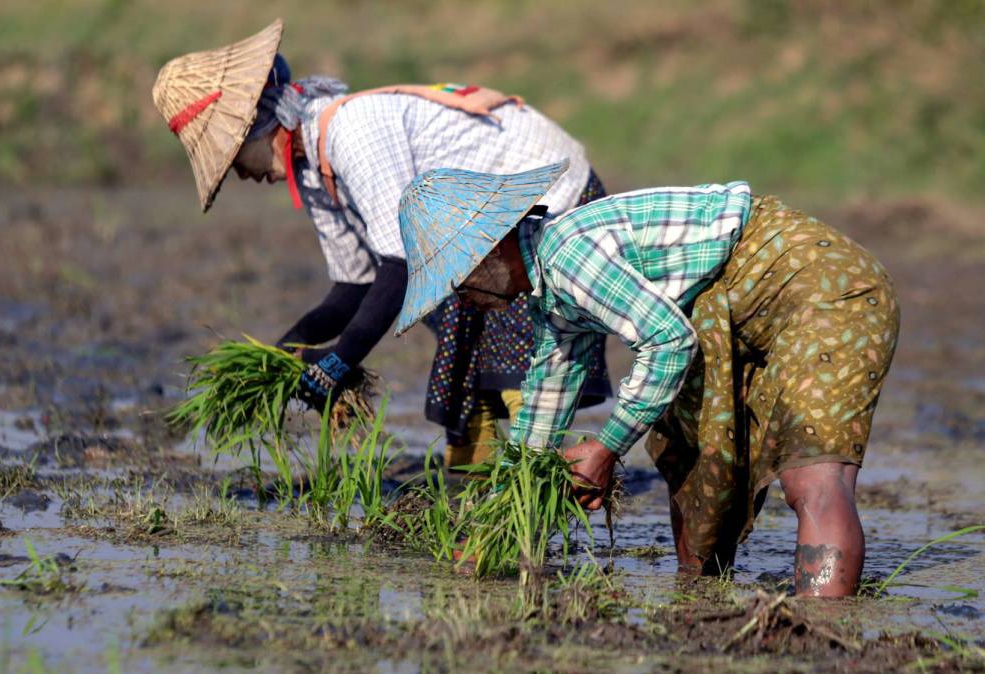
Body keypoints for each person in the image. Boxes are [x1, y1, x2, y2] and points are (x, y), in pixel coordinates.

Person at [394, 161, 899, 597]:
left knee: (811, 475)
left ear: (493, 248)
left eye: (458, 278)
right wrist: (497, 522)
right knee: (688, 461)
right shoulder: (552, 299)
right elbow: (543, 411)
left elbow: (667, 341)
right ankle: (697, 602)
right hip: (726, 312)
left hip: (817, 287)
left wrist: (607, 447)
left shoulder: (569, 254)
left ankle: (824, 633)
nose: (460, 297)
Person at [151, 20, 610, 467]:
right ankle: (476, 472)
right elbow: (355, 284)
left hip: (548, 196)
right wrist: (283, 353)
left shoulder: (353, 130)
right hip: (483, 233)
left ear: (261, 127)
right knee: (457, 326)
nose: (244, 175)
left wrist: (340, 360)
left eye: (235, 161)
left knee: (519, 356)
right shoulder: (312, 166)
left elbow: (401, 263)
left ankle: (537, 474)